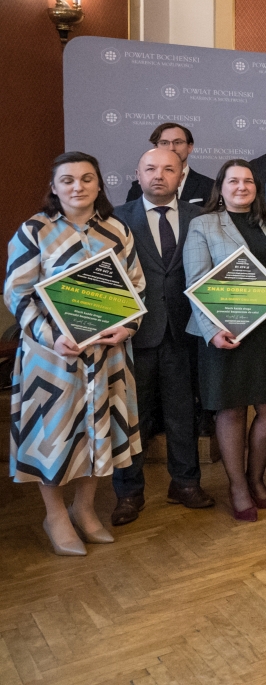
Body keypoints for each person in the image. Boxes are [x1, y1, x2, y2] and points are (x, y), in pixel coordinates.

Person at [6, 152, 144, 556]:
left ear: (99, 184)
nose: (77, 186)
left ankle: (83, 509)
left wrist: (128, 326)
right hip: (52, 359)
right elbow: (17, 293)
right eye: (67, 180)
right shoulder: (35, 230)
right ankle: (55, 516)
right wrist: (50, 337)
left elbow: (136, 287)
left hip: (106, 356)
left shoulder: (117, 230)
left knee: (98, 433)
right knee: (53, 437)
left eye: (86, 178)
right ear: (54, 187)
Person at [185, 160, 266, 521]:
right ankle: (237, 487)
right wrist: (211, 330)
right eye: (233, 181)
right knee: (231, 408)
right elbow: (196, 282)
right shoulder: (203, 224)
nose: (241, 187)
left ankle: (256, 479)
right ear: (221, 187)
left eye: (248, 181)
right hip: (227, 328)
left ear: (256, 187)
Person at [109, 148, 211, 527]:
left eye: (169, 169)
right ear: (138, 174)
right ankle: (128, 492)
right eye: (150, 168)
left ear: (181, 175)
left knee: (183, 413)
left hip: (184, 332)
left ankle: (185, 483)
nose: (159, 175)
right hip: (134, 334)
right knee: (133, 416)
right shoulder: (117, 218)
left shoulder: (200, 217)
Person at [125, 123, 215, 203]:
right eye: (164, 143)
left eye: (178, 142)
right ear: (155, 147)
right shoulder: (138, 188)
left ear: (189, 147)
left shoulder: (210, 186)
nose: (171, 148)